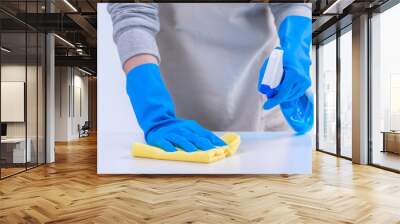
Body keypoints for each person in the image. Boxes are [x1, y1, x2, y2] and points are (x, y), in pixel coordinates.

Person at [108, 3, 313, 152]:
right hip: (182, 84)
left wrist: (295, 48)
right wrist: (153, 107)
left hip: (257, 86)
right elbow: (132, 11)